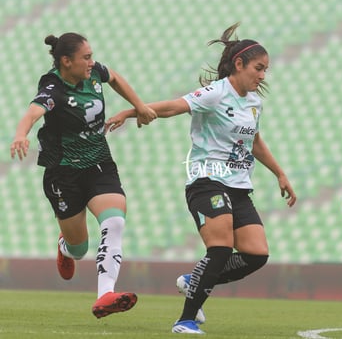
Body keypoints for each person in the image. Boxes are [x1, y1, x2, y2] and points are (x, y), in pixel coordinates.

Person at [106, 23, 297, 334]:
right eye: (259, 68)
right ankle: (185, 320)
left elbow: (255, 142)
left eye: (266, 70)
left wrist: (280, 173)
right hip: (207, 180)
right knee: (220, 249)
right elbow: (174, 106)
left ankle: (194, 280)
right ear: (239, 64)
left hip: (238, 186)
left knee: (256, 254)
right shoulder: (215, 93)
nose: (263, 75)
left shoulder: (253, 103)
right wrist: (132, 111)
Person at [10, 32, 157, 318]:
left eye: (91, 56)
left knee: (114, 222)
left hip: (99, 164)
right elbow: (33, 112)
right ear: (66, 61)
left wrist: (139, 106)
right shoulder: (53, 86)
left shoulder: (94, 73)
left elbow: (113, 77)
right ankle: (66, 248)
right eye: (85, 57)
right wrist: (20, 135)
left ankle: (105, 295)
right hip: (63, 173)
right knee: (80, 248)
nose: (92, 62)